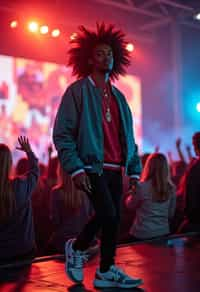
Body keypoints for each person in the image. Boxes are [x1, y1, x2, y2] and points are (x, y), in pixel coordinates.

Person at [53, 23, 143, 288]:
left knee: (112, 218)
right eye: (101, 53)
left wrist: (135, 170)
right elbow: (62, 134)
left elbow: (129, 137)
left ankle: (105, 271)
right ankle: (78, 248)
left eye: (110, 54)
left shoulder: (119, 97)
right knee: (110, 215)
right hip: (92, 166)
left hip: (117, 168)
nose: (107, 57)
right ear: (90, 58)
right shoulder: (77, 91)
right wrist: (76, 169)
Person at [0, 136, 39, 263]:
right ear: (10, 163)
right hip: (24, 250)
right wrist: (29, 152)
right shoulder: (21, 185)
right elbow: (35, 172)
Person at [126, 153, 176, 241]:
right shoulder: (171, 188)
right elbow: (170, 214)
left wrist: (131, 194)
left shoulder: (141, 186)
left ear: (149, 167)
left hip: (142, 234)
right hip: (163, 233)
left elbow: (130, 205)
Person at [178, 132, 200, 233]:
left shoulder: (195, 169)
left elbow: (190, 197)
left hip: (195, 220)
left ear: (196, 147)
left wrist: (189, 217)